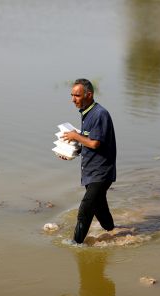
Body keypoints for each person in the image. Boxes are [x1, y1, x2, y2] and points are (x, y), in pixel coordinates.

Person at [60, 78, 117, 244]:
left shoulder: (100, 114)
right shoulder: (87, 113)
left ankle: (75, 246)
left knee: (84, 210)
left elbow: (95, 143)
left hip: (101, 173)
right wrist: (71, 152)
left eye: (77, 95)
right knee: (100, 209)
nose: (73, 99)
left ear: (89, 95)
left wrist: (74, 135)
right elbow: (89, 143)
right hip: (90, 172)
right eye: (72, 95)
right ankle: (114, 233)